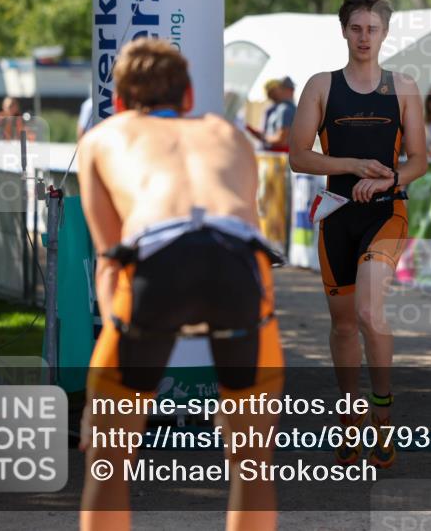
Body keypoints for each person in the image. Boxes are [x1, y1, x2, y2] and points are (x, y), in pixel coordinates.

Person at [77, 38, 283, 531]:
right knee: (252, 459)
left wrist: (119, 356)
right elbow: (243, 230)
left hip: (157, 262)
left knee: (106, 459)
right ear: (189, 97)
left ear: (121, 102)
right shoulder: (227, 133)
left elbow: (111, 264)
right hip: (236, 263)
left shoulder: (103, 136)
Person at [288, 0, 428, 469]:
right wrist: (353, 166)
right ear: (344, 30)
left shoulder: (404, 87)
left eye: (372, 29)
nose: (364, 37)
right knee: (343, 325)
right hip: (337, 217)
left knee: (369, 311)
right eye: (356, 28)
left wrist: (389, 177)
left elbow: (420, 161)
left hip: (387, 213)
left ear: (385, 34)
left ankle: (384, 420)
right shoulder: (321, 86)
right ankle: (351, 423)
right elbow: (298, 156)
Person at [261, 77, 296, 152]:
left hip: (280, 157)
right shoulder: (282, 108)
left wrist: (263, 137)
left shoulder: (285, 109)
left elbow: (281, 140)